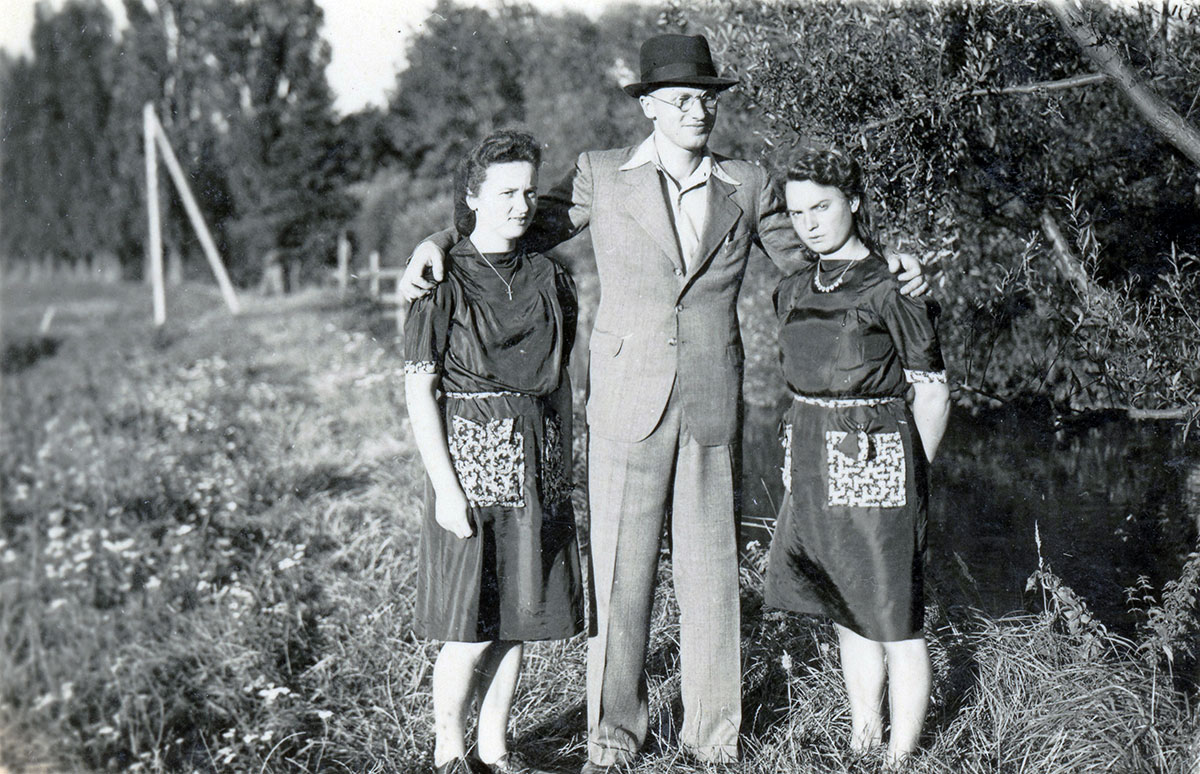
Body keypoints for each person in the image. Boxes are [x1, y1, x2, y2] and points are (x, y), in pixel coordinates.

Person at [402, 35, 929, 773]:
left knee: (714, 581)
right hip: (624, 406)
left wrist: (889, 259)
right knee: (619, 580)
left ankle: (713, 744)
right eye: (681, 98)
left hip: (712, 404)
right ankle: (613, 742)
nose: (697, 109)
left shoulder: (746, 184)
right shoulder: (601, 177)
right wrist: (434, 240)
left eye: (707, 97)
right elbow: (507, 228)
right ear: (649, 106)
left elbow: (817, 256)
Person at [404, 129, 584, 774]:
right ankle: (448, 751)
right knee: (467, 624)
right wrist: (447, 491)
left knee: (520, 617)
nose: (522, 204)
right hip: (470, 463)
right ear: (473, 197)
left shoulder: (550, 277)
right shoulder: (442, 279)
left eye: (530, 192)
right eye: (506, 192)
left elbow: (561, 385)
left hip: (539, 464)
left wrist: (567, 467)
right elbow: (420, 391)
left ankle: (495, 746)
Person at [764, 148, 951, 766]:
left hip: (878, 455)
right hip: (813, 456)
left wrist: (910, 477)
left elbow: (932, 388)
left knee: (894, 614)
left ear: (855, 202)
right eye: (797, 212)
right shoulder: (792, 286)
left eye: (822, 206)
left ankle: (900, 757)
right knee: (846, 604)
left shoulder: (891, 285)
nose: (810, 223)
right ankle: (863, 739)